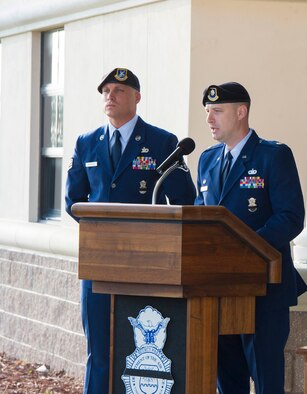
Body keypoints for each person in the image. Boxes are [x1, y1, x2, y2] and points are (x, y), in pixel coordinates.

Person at [65, 67, 196, 394]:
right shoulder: (86, 143)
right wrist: (103, 232)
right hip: (98, 261)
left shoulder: (161, 141)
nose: (110, 96)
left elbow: (184, 199)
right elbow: (72, 199)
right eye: (106, 91)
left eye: (119, 90)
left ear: (136, 97)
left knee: (140, 350)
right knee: (98, 347)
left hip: (144, 264)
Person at [195, 82, 307, 393]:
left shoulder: (273, 156)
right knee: (227, 380)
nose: (209, 119)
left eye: (217, 111)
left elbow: (290, 217)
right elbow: (199, 217)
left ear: (241, 112)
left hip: (263, 288)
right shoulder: (207, 160)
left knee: (267, 379)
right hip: (219, 289)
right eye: (207, 111)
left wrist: (245, 249)